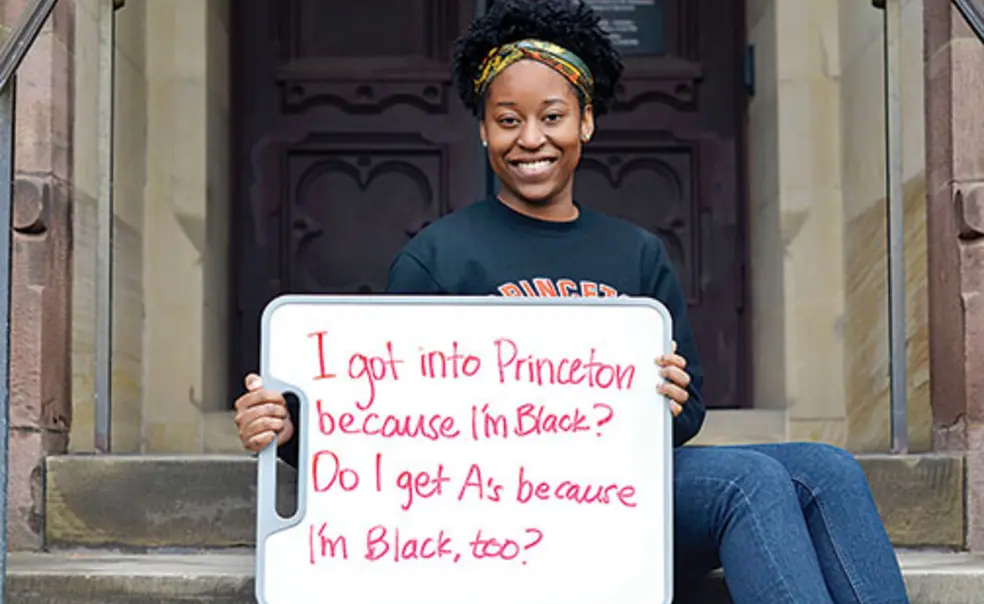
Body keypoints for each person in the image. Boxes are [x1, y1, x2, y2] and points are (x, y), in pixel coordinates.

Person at [233, 1, 910, 602]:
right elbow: (381, 424)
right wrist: (291, 431)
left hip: (623, 484)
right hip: (505, 504)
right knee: (749, 482)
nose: (531, 139)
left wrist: (672, 397)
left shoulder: (636, 253)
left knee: (828, 468)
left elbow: (688, 414)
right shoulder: (438, 257)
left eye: (552, 116)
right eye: (508, 120)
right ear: (483, 131)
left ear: (585, 122)